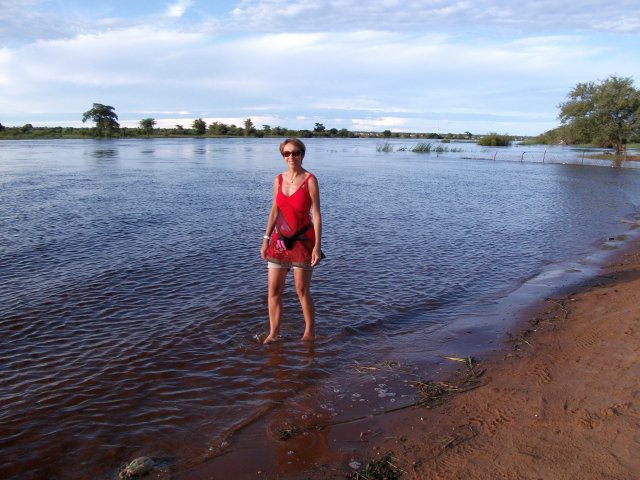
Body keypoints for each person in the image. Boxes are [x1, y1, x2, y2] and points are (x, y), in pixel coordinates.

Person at [260, 138, 322, 343]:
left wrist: (317, 246)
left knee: (301, 289)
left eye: (295, 152)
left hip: (303, 240)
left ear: (302, 154)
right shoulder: (278, 179)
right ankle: (274, 333)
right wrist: (266, 238)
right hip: (279, 240)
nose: (291, 157)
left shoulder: (310, 180)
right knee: (274, 290)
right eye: (287, 153)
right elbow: (274, 210)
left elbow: (316, 215)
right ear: (283, 156)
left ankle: (309, 333)